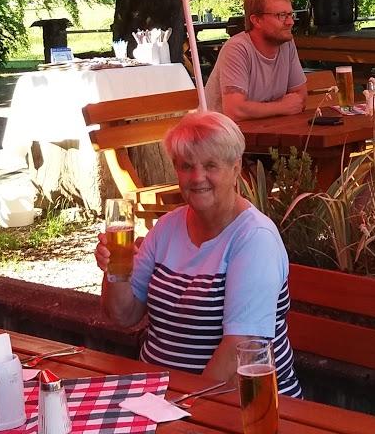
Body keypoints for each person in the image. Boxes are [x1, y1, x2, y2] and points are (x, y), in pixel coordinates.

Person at [96, 110, 301, 396]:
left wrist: (181, 406)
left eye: (210, 165)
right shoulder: (167, 227)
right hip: (158, 396)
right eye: (186, 166)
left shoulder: (254, 239)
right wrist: (116, 271)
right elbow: (123, 315)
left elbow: (238, 351)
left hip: (235, 406)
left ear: (235, 168)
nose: (197, 177)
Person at [204, 0, 307, 119]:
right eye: (281, 15)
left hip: (265, 130)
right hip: (222, 136)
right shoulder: (237, 48)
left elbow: (300, 97)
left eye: (290, 14)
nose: (290, 22)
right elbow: (234, 110)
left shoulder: (286, 44)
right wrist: (281, 106)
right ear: (256, 20)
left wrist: (262, 109)